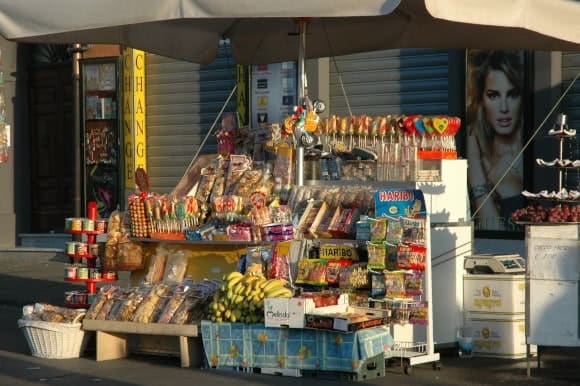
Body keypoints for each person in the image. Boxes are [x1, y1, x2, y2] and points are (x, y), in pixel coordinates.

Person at [466, 50, 525, 230]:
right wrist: (475, 162)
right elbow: (492, 233)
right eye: (493, 95)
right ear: (481, 99)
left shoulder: (534, 153)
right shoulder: (476, 147)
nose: (504, 108)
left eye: (512, 94)